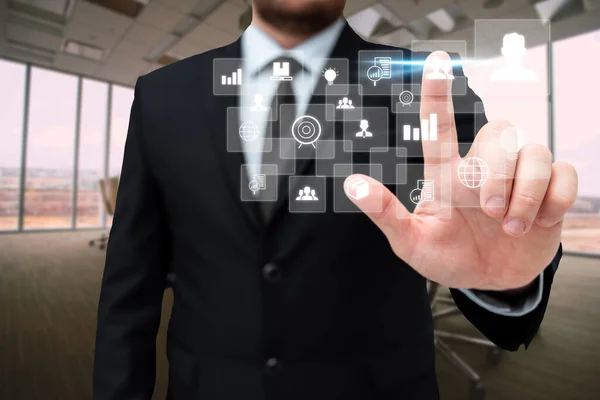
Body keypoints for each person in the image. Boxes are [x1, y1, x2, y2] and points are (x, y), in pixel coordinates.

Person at [93, 1, 577, 399]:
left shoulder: (425, 85)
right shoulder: (162, 96)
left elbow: (482, 221)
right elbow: (129, 282)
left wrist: (503, 279)